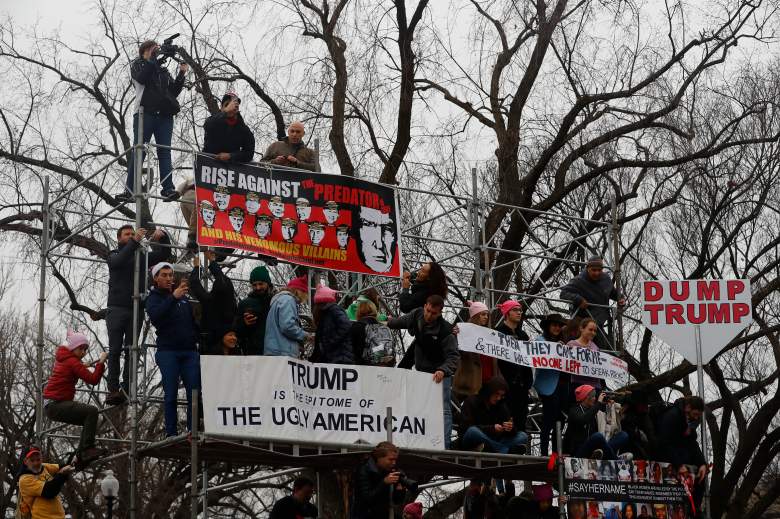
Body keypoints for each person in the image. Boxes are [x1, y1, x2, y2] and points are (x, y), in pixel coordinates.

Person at [105, 224, 171, 406]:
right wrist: (134, 242)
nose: (131, 236)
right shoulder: (114, 254)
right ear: (119, 238)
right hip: (117, 308)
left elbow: (163, 256)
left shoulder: (142, 257)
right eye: (127, 234)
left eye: (133, 234)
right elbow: (118, 262)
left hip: (136, 309)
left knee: (131, 351)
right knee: (115, 350)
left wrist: (163, 237)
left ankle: (126, 389)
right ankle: (113, 389)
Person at [119, 39, 188, 202]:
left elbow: (172, 92)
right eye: (152, 49)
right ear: (144, 51)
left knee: (164, 151)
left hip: (164, 115)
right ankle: (129, 190)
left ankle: (168, 189)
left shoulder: (162, 70)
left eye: (157, 49)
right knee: (139, 150)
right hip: (145, 113)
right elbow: (142, 78)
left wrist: (181, 74)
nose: (156, 51)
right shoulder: (138, 65)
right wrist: (152, 59)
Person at [388, 295, 460, 448]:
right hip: (421, 372)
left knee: (443, 409)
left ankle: (444, 445)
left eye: (433, 313)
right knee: (418, 406)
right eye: (427, 310)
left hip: (440, 374)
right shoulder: (417, 314)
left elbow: (453, 358)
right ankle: (420, 440)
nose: (429, 315)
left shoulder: (447, 331)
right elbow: (400, 321)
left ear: (440, 312)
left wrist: (443, 370)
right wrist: (386, 322)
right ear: (425, 305)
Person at [145, 262, 201, 437]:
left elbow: (191, 322)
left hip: (189, 351)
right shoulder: (153, 298)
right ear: (156, 278)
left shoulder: (183, 297)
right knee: (171, 394)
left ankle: (193, 430)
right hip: (168, 352)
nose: (169, 278)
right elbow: (156, 317)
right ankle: (171, 433)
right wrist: (173, 298)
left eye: (170, 275)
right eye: (164, 275)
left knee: (194, 392)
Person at [43, 330, 107, 467]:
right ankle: (87, 450)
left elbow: (70, 370)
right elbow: (93, 379)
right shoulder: (72, 362)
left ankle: (80, 457)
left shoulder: (65, 359)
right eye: (81, 348)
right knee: (91, 412)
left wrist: (83, 366)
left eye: (86, 349)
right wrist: (101, 363)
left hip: (52, 406)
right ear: (73, 348)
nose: (84, 352)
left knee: (88, 419)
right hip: (56, 404)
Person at [560, 256, 625, 349]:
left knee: (602, 348)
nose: (596, 273)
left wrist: (620, 298)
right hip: (582, 321)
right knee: (578, 347)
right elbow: (564, 293)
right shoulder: (578, 280)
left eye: (599, 270)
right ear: (587, 269)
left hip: (599, 322)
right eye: (593, 270)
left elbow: (612, 293)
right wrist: (579, 299)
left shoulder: (606, 279)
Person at [657, 396, 708, 510]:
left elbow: (692, 443)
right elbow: (665, 443)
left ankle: (695, 510)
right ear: (688, 408)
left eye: (698, 415)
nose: (696, 418)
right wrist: (679, 465)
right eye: (695, 414)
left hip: (680, 453)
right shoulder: (672, 416)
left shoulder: (690, 421)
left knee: (701, 476)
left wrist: (702, 464)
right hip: (667, 454)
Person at [397, 261, 448, 369]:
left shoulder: (424, 293)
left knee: (407, 365)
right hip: (424, 333)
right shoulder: (429, 287)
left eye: (423, 271)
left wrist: (405, 289)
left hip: (426, 336)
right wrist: (410, 277)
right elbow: (418, 279)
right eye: (421, 269)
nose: (419, 272)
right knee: (407, 364)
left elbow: (405, 306)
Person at [494, 300, 532, 441]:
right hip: (505, 386)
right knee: (505, 418)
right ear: (507, 313)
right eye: (515, 310)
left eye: (520, 310)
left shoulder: (523, 336)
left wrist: (528, 382)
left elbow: (527, 360)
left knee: (521, 418)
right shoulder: (498, 333)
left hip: (521, 387)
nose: (519, 313)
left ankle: (518, 448)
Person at [459, 376, 528, 454]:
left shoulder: (501, 405)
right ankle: (505, 450)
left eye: (501, 395)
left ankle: (490, 448)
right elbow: (465, 428)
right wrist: (492, 428)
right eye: (496, 394)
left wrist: (510, 428)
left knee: (523, 436)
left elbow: (510, 432)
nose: (498, 398)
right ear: (489, 391)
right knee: (472, 431)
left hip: (493, 441)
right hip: (473, 440)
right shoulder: (471, 401)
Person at [533, 313, 570, 456]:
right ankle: (543, 454)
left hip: (563, 387)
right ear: (548, 326)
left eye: (559, 326)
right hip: (548, 388)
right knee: (548, 421)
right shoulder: (540, 341)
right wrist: (555, 348)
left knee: (560, 422)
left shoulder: (565, 343)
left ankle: (555, 454)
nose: (557, 328)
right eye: (554, 325)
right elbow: (539, 355)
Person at [187, 250, 237, 353]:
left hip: (210, 347)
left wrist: (197, 268)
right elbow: (221, 278)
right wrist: (212, 261)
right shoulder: (231, 304)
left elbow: (194, 283)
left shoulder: (209, 301)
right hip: (228, 347)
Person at [564, 384, 628, 460]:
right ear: (586, 397)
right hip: (579, 452)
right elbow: (583, 419)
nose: (595, 399)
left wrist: (610, 404)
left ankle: (604, 455)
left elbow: (607, 416)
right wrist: (598, 403)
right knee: (597, 436)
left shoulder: (594, 409)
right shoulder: (574, 410)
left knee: (623, 435)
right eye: (593, 396)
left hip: (595, 450)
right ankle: (616, 459)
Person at [453, 301, 497, 399]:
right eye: (483, 314)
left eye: (487, 315)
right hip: (470, 381)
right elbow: (458, 352)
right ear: (475, 315)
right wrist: (457, 335)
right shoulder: (463, 331)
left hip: (488, 380)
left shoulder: (489, 334)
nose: (486, 317)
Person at [352, 442, 408, 519]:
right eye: (391, 459)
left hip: (382, 514)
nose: (394, 463)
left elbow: (396, 501)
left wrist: (400, 490)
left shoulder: (389, 470)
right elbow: (366, 499)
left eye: (395, 460)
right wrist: (384, 482)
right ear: (379, 457)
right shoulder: (364, 470)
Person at [16, 446, 74, 519]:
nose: (36, 463)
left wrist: (76, 457)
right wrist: (62, 474)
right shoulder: (25, 479)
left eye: (38, 459)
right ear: (25, 461)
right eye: (32, 460)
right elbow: (49, 491)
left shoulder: (44, 467)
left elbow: (63, 467)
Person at [264, 275, 311, 358]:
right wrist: (305, 335)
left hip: (274, 350)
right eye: (304, 294)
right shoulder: (289, 300)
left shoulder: (279, 300)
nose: (303, 299)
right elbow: (287, 326)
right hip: (282, 353)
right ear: (299, 291)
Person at [203, 93, 255, 163]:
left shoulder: (242, 128)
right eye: (227, 104)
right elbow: (208, 125)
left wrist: (230, 156)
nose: (231, 107)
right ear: (222, 108)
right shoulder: (214, 121)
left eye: (235, 105)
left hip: (231, 169)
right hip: (209, 165)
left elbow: (249, 153)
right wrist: (225, 112)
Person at [235, 265, 274, 355]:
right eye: (254, 285)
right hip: (253, 353)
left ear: (268, 283)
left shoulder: (277, 301)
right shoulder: (244, 304)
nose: (258, 288)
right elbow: (236, 331)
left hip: (275, 353)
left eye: (261, 284)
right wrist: (244, 323)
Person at [311, 285, 353, 364]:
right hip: (336, 357)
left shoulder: (333, 310)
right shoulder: (327, 313)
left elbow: (345, 325)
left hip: (339, 357)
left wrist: (330, 342)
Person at [350, 299, 394, 366]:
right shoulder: (385, 328)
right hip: (384, 368)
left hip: (363, 369)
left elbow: (352, 351)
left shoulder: (356, 327)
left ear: (358, 312)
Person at [567, 318, 604, 394]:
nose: (593, 333)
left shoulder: (596, 348)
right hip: (578, 385)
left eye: (595, 331)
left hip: (595, 387)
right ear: (581, 328)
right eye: (590, 330)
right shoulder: (571, 344)